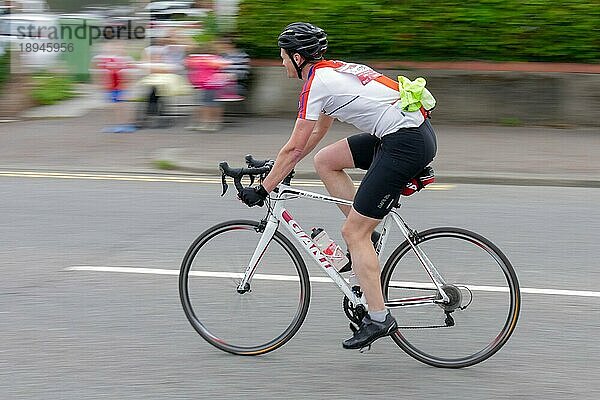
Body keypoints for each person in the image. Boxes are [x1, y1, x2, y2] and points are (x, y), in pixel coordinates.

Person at [238, 22, 437, 350]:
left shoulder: (317, 83)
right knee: (326, 161)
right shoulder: (328, 74)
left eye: (284, 57)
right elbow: (313, 137)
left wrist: (263, 188)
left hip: (405, 142)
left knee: (352, 233)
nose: (281, 62)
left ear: (299, 58)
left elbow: (294, 144)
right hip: (405, 134)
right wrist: (280, 168)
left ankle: (378, 318)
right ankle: (367, 233)